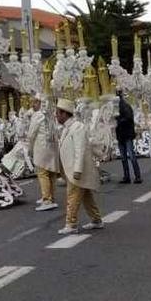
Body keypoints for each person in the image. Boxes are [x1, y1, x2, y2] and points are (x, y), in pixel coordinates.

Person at [55, 98, 103, 235]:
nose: (56, 116)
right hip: (71, 169)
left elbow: (79, 149)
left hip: (77, 170)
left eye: (58, 113)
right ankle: (96, 219)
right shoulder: (67, 128)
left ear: (64, 114)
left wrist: (77, 169)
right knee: (86, 196)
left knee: (72, 197)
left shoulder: (78, 127)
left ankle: (71, 223)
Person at [27, 95, 61, 211]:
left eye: (35, 102)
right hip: (52, 148)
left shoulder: (37, 116)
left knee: (42, 173)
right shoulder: (51, 115)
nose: (33, 105)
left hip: (41, 148)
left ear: (41, 103)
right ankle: (50, 197)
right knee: (50, 173)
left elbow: (31, 134)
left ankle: (47, 199)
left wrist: (29, 149)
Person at [115, 94, 142, 184]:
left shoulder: (125, 107)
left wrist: (118, 120)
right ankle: (127, 176)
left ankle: (137, 176)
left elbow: (128, 118)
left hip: (126, 134)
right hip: (121, 135)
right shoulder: (116, 108)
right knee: (124, 157)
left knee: (131, 156)